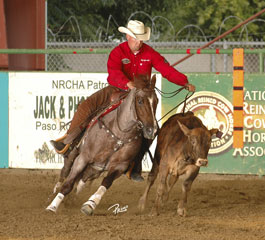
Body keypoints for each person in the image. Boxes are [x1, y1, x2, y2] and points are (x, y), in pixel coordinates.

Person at [51, 20, 195, 181]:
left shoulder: (150, 53)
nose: (139, 42)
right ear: (128, 36)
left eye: (141, 38)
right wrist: (127, 83)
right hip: (116, 89)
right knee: (87, 106)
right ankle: (69, 141)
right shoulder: (117, 52)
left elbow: (166, 69)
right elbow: (113, 73)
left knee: (152, 128)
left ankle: (135, 165)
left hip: (139, 96)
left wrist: (184, 81)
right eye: (136, 38)